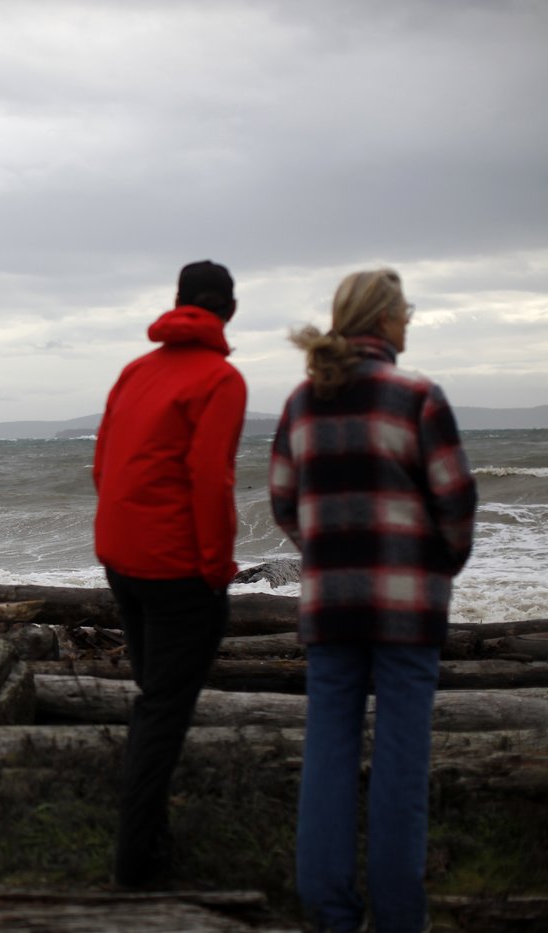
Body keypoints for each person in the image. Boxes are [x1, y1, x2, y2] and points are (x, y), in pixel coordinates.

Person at [270, 269, 476, 931]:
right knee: (400, 767)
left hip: (331, 607)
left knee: (327, 759)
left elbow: (283, 501)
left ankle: (330, 914)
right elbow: (456, 502)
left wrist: (328, 554)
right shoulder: (416, 396)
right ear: (385, 321)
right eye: (405, 312)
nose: (409, 322)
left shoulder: (302, 402)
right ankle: (397, 918)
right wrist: (437, 563)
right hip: (406, 610)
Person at [92, 260, 247, 888]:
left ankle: (152, 842)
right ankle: (138, 870)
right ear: (229, 311)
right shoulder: (222, 379)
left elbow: (103, 465)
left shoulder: (135, 370)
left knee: (154, 700)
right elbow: (212, 481)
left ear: (177, 303)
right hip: (178, 572)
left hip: (120, 560)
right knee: (163, 712)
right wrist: (217, 571)